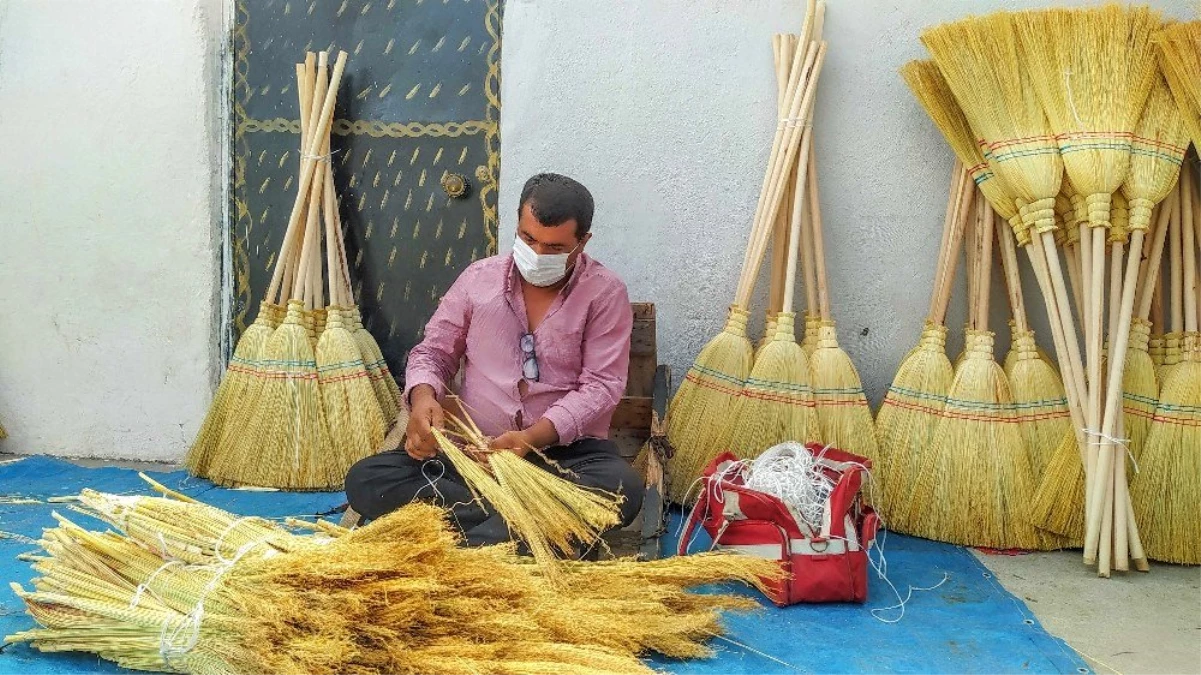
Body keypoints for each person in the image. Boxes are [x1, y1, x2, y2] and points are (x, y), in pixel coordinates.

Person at [344, 173, 644, 552]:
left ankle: (473, 540)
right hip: (475, 458)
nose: (536, 254)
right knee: (367, 479)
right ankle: (522, 530)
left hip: (562, 461)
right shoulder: (477, 281)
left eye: (554, 248)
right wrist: (423, 399)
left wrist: (530, 439)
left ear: (582, 243)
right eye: (528, 238)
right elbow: (432, 353)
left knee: (621, 490)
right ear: (516, 226)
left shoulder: (604, 293)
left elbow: (601, 386)